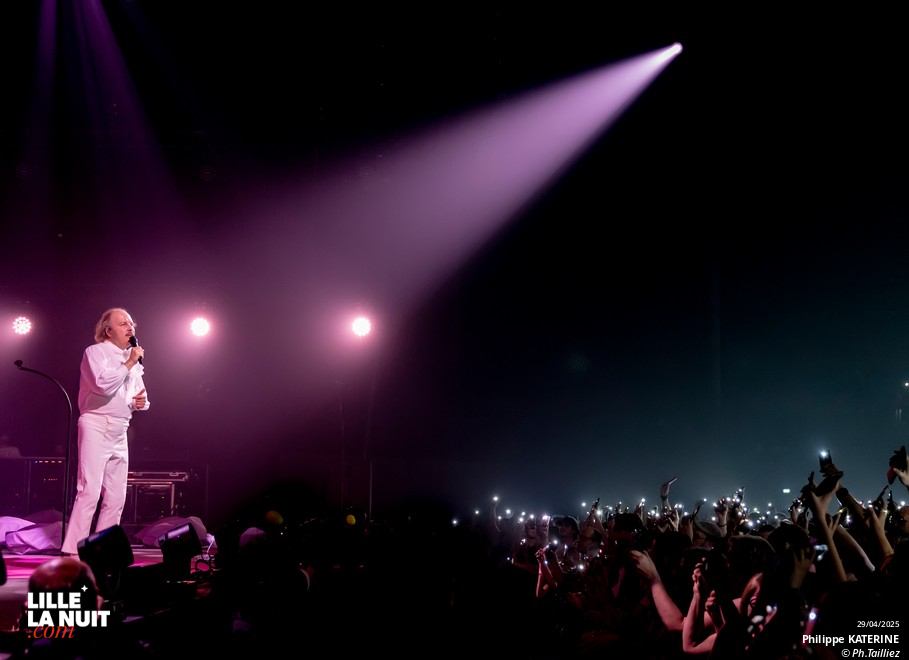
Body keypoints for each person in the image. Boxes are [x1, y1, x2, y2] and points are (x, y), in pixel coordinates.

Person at [60, 308, 149, 556]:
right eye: (123, 324)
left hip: (121, 428)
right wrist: (129, 363)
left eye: (131, 323)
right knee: (89, 490)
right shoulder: (95, 352)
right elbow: (102, 385)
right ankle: (74, 550)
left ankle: (102, 550)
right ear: (108, 330)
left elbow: (139, 395)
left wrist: (140, 402)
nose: (130, 327)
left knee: (117, 495)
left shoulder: (132, 359)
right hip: (97, 424)